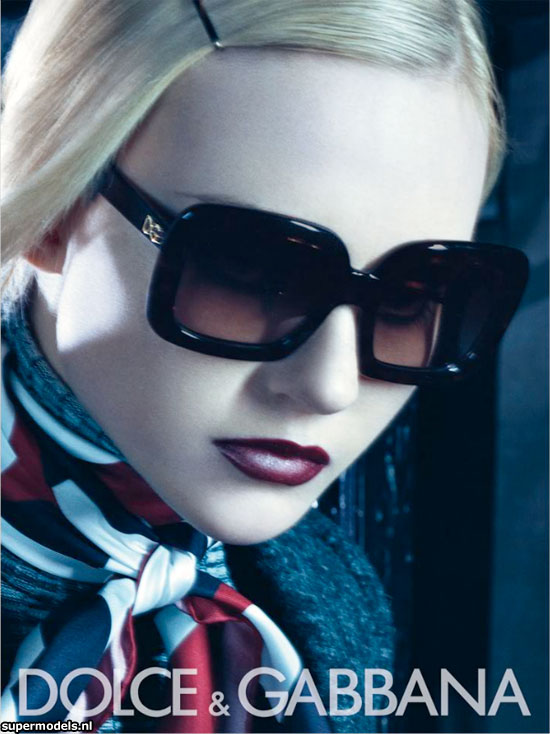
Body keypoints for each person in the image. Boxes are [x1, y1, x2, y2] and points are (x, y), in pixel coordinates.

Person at [0, 0, 528, 732]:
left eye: (412, 298)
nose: (330, 386)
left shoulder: (330, 597)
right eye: (252, 272)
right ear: (55, 207)